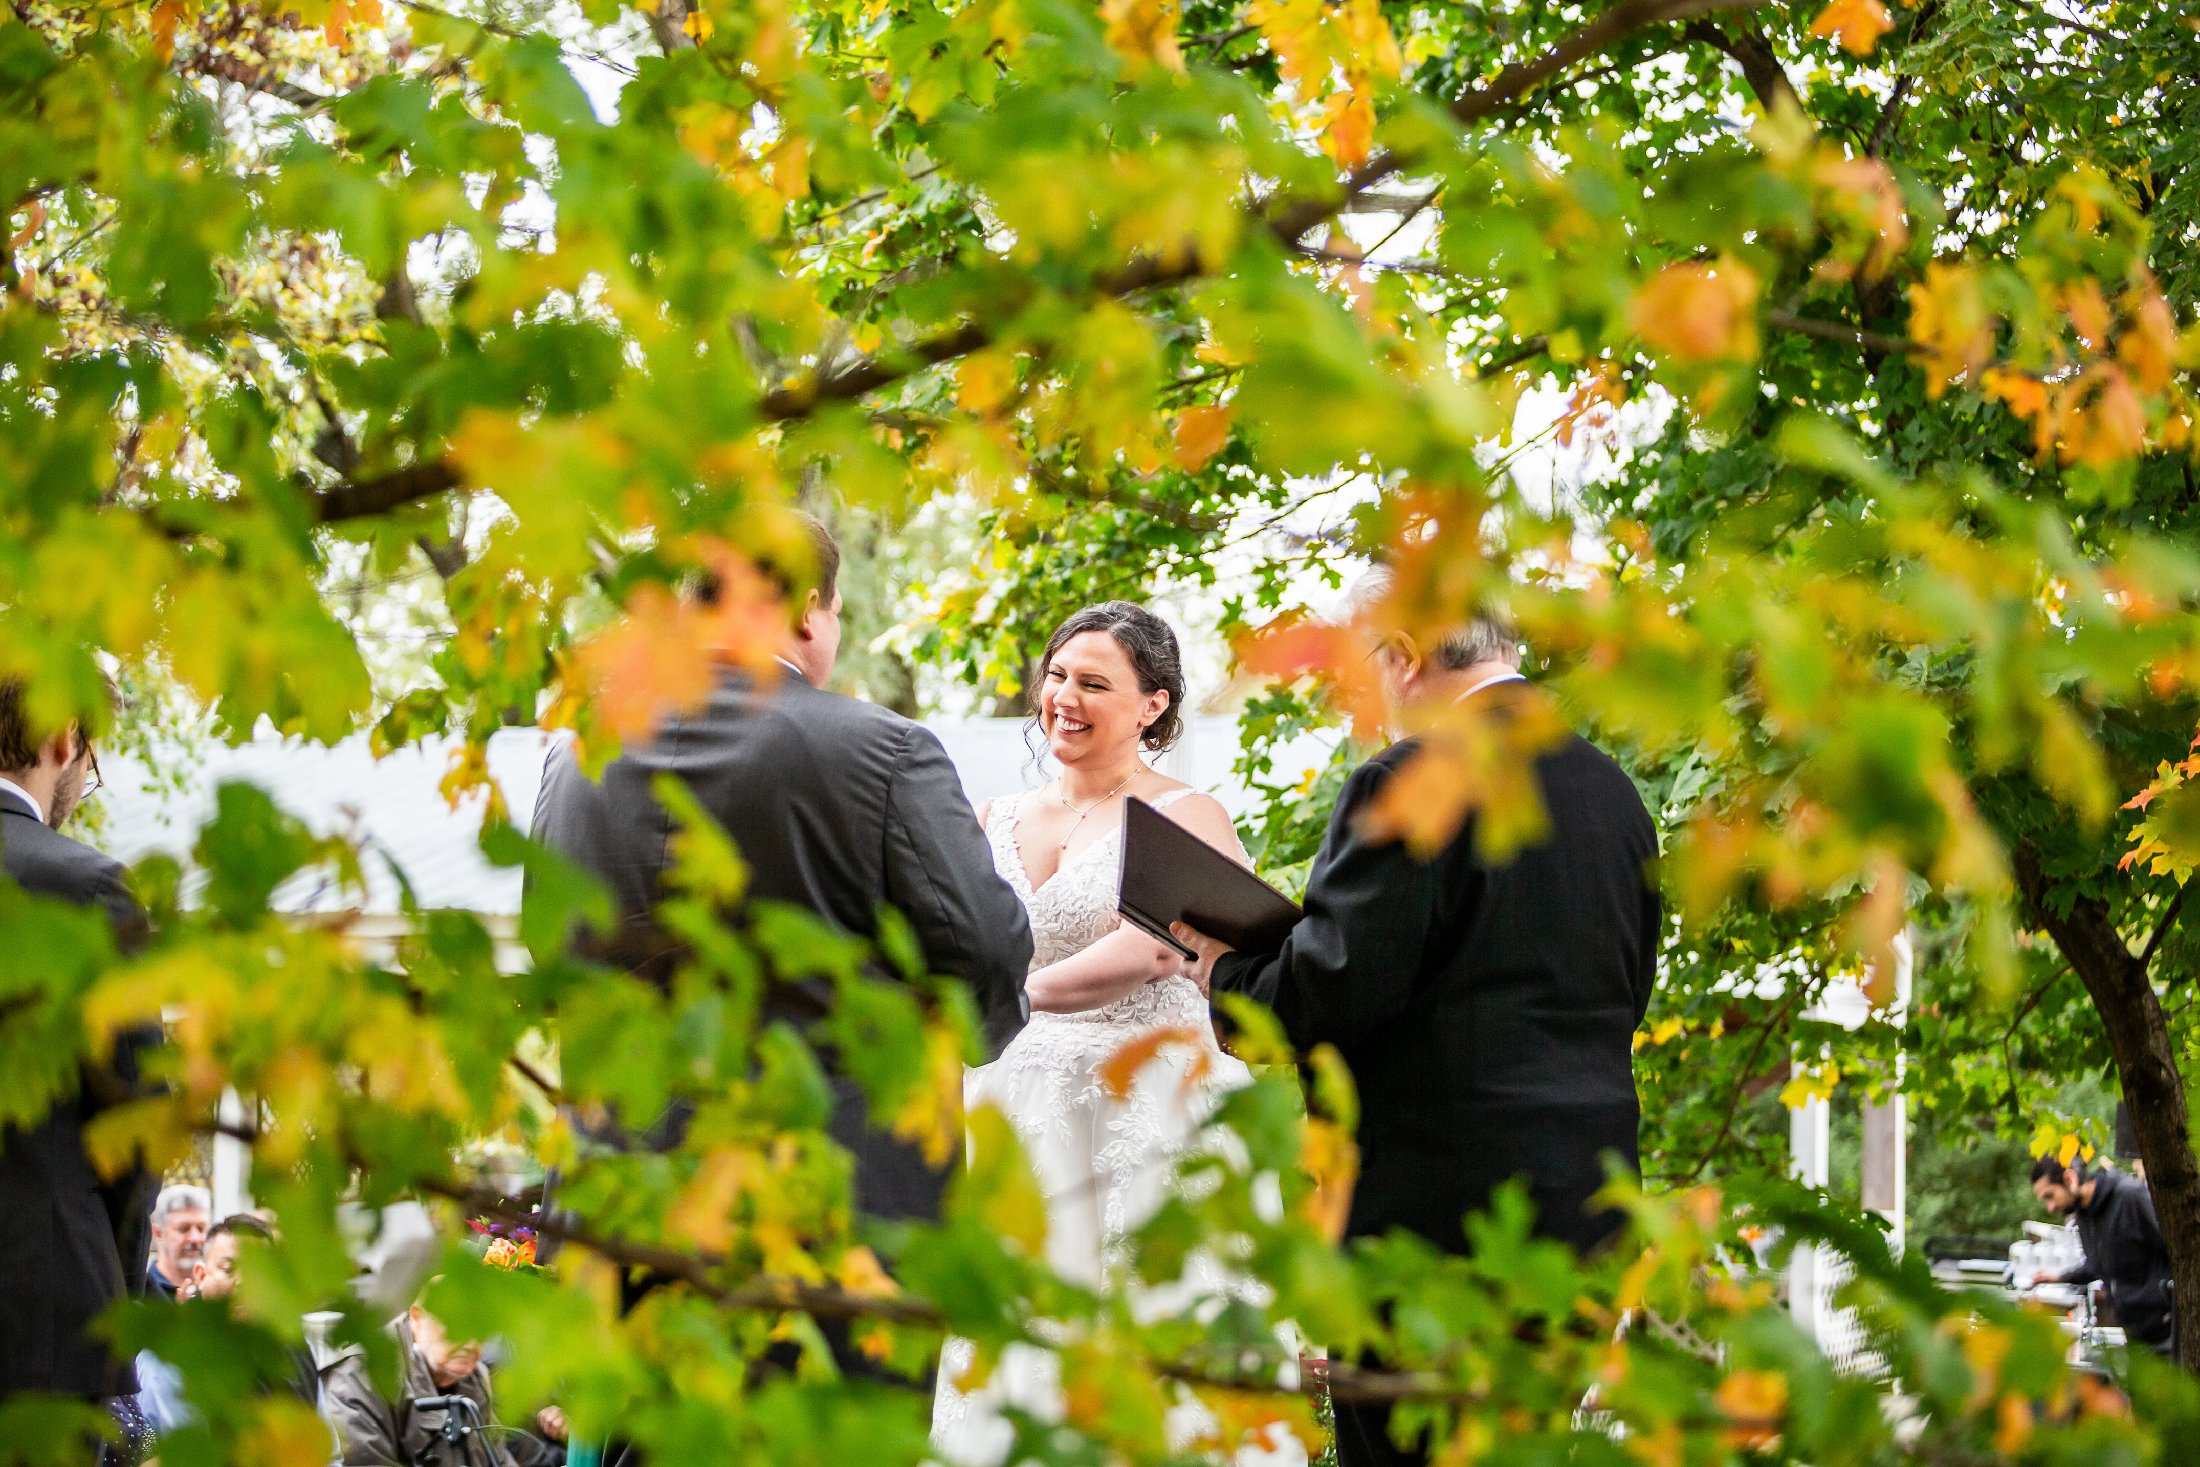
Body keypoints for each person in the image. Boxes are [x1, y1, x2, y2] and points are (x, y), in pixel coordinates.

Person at [1174, 583, 1661, 1467]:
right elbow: (1631, 988)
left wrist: (1226, 970)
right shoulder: (1613, 794)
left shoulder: (1408, 779)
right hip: (1585, 1201)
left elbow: (1329, 990)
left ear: (1402, 654)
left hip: (1432, 1217)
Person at [531, 512, 1031, 1222]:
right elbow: (985, 951)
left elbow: (551, 943)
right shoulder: (885, 752)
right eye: (835, 611)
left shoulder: (576, 752)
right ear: (805, 609)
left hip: (618, 1197)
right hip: (826, 1203)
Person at [930, 602, 1298, 1466]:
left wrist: (1009, 995)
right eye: (1057, 674)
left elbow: (1151, 947)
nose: (1064, 696)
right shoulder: (995, 817)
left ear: (1154, 705)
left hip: (1150, 1105)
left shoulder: (1187, 814)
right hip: (1018, 1106)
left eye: (1094, 683)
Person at [0, 676, 157, 1463]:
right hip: (46, 1326)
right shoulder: (86, 886)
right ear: (62, 738)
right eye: (89, 763)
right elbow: (137, 1132)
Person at [320, 1302, 559, 1467]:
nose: (470, 1342)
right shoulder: (362, 1376)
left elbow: (497, 1457)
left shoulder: (476, 1377)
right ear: (416, 1319)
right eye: (455, 1327)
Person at [2030, 1156, 2174, 1355]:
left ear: (2069, 1179)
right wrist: (2059, 1277)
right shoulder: (2083, 1215)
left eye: (2050, 1196)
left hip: (2168, 1331)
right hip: (2134, 1334)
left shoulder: (2130, 1196)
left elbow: (2177, 1251)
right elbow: (2100, 1264)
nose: (2050, 1207)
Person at [144, 1184, 210, 1300]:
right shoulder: (142, 1293)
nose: (195, 1238)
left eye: (201, 1229)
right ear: (158, 1233)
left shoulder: (215, 1294)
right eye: (183, 1229)